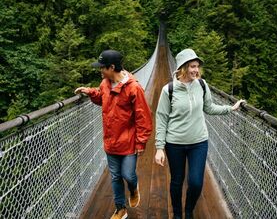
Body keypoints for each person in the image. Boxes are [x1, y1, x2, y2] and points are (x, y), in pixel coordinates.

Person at [154, 48, 245, 219]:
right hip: (175, 143)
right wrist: (159, 147)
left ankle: (188, 211)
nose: (196, 70)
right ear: (182, 68)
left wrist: (230, 108)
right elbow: (161, 118)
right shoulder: (169, 90)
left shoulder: (202, 85)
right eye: (192, 67)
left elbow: (209, 107)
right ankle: (178, 215)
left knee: (196, 182)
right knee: (176, 181)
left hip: (199, 142)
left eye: (197, 66)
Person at [75, 49, 152, 219]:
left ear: (111, 67)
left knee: (128, 175)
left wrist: (141, 143)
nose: (100, 70)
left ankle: (133, 188)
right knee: (116, 176)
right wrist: (90, 92)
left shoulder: (134, 88)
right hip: (111, 142)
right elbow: (102, 98)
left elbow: (143, 118)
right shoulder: (105, 83)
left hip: (128, 141)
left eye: (102, 67)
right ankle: (120, 209)